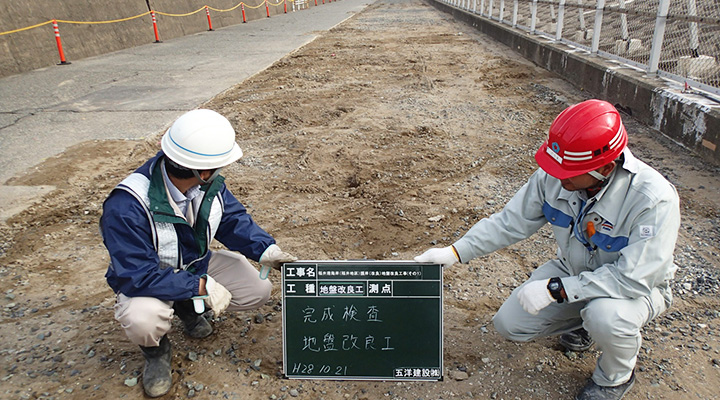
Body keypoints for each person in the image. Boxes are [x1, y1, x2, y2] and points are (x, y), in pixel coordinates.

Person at [415, 99, 680, 400]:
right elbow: (509, 222)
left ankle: (614, 377)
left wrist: (556, 290)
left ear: (605, 167)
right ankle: (585, 323)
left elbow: (633, 278)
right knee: (510, 324)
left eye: (567, 171)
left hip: (636, 288)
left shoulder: (652, 200)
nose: (557, 176)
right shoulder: (556, 176)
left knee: (605, 315)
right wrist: (455, 251)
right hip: (574, 271)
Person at [100, 109, 297, 397]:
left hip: (195, 264)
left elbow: (231, 220)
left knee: (257, 289)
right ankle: (156, 351)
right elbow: (136, 274)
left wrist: (265, 249)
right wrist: (199, 285)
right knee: (143, 319)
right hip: (148, 281)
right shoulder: (126, 207)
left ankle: (186, 307)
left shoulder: (208, 186)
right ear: (202, 171)